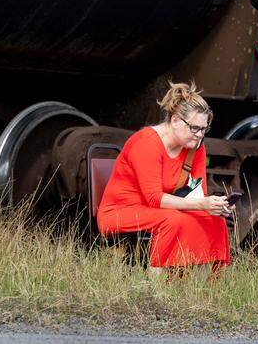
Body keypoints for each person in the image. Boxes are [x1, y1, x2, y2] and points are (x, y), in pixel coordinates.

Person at [96, 81, 231, 272]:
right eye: (194, 128)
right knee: (173, 220)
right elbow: (154, 198)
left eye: (204, 129)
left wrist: (215, 206)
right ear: (175, 120)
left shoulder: (196, 148)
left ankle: (204, 288)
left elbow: (197, 193)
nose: (199, 135)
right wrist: (202, 204)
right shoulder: (147, 143)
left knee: (214, 221)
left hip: (163, 209)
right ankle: (158, 286)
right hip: (122, 211)